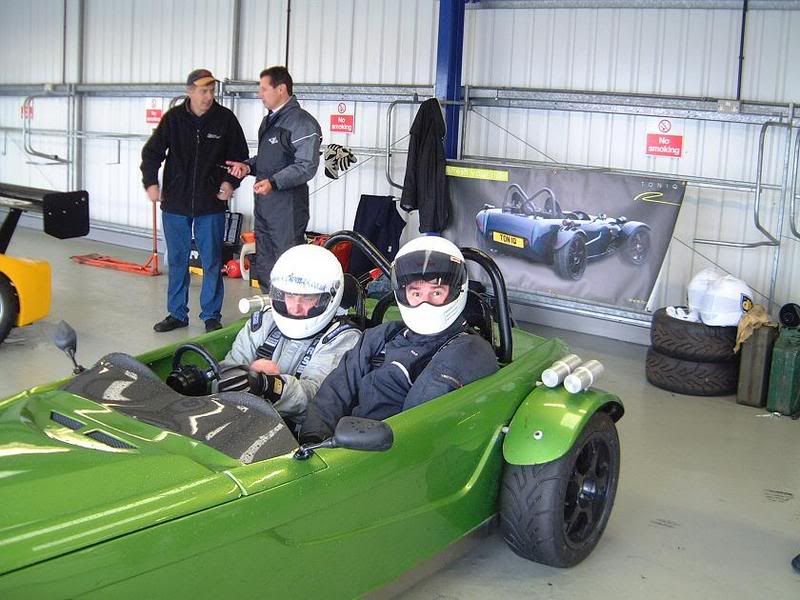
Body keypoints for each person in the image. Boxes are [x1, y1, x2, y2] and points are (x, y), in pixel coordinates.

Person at [300, 236, 499, 443]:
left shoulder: (469, 350)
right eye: (416, 294)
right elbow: (333, 392)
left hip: (392, 451)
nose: (425, 303)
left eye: (436, 292)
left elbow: (416, 427)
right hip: (345, 446)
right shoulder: (382, 336)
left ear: (458, 290)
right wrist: (313, 439)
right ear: (403, 293)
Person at [141, 68, 248, 333]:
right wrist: (151, 183)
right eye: (203, 91)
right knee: (177, 260)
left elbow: (240, 158)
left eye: (212, 91)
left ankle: (211, 315)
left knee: (212, 261)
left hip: (211, 204)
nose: (208, 96)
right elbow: (152, 153)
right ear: (190, 91)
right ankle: (177, 314)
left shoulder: (225, 120)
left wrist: (229, 183)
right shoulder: (174, 119)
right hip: (175, 203)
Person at [219, 244, 361, 424]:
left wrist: (270, 385)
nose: (295, 307)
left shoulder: (343, 339)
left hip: (296, 434)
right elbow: (227, 370)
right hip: (243, 422)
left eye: (307, 298)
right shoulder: (263, 322)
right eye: (290, 296)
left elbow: (317, 397)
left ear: (328, 298)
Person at [226, 66, 322, 291]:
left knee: (287, 264)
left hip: (287, 210)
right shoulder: (269, 121)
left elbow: (306, 165)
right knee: (265, 261)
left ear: (281, 89)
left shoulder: (302, 123)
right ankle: (269, 304)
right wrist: (248, 167)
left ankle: (289, 309)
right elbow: (269, 159)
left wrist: (274, 182)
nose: (259, 94)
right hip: (265, 207)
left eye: (264, 89)